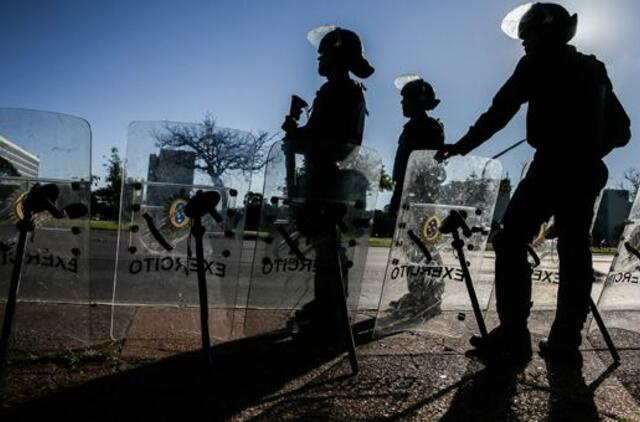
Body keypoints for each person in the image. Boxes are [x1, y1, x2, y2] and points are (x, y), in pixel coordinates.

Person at [436, 3, 631, 365]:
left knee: (510, 240)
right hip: (586, 170)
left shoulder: (537, 63)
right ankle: (565, 341)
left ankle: (513, 335)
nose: (523, 43)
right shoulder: (593, 68)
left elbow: (500, 111)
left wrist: (462, 145)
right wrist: (590, 147)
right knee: (575, 250)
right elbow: (623, 131)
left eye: (528, 36)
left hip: (552, 167)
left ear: (546, 33)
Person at [282, 26, 374, 333]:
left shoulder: (341, 91)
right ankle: (328, 303)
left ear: (336, 57)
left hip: (327, 176)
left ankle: (331, 309)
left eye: (323, 53)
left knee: (327, 244)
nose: (318, 59)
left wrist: (299, 137)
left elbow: (331, 135)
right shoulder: (342, 90)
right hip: (325, 174)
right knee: (325, 244)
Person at [389, 77, 445, 215]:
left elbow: (429, 168)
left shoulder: (430, 127)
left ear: (418, 101)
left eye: (406, 98)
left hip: (418, 195)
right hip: (403, 189)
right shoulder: (410, 127)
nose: (402, 102)